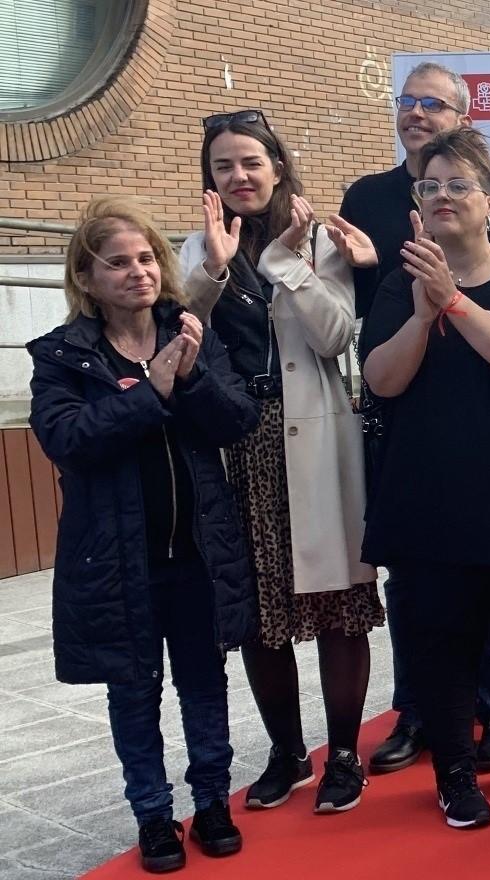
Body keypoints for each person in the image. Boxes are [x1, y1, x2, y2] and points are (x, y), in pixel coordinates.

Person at [27, 197, 261, 872]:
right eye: (120, 263)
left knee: (203, 682)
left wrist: (187, 380)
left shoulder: (189, 332)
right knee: (134, 692)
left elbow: (235, 420)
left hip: (196, 553)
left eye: (147, 259)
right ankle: (154, 816)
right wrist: (148, 394)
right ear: (87, 278)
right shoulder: (64, 355)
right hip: (116, 562)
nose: (139, 273)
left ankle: (212, 801)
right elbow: (65, 439)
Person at [359, 127, 490, 829]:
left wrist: (452, 300)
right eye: (430, 185)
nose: (443, 196)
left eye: (459, 185)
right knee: (438, 633)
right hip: (429, 495)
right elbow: (380, 381)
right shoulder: (401, 282)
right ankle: (454, 771)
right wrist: (422, 314)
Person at [336, 61, 490, 775]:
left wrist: (455, 293)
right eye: (407, 101)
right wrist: (366, 266)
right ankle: (416, 712)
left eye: (433, 103)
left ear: (463, 116)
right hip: (407, 392)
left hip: (485, 400)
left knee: (486, 570)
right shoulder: (366, 193)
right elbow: (358, 298)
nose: (416, 113)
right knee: (418, 577)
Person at [180, 109, 383, 815]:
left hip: (316, 437)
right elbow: (180, 333)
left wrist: (288, 261)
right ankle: (288, 753)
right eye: (223, 167)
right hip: (237, 445)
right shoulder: (198, 247)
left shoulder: (321, 237)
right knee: (259, 609)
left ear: (276, 166)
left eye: (250, 162)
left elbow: (333, 338)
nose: (239, 177)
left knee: (336, 604)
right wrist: (210, 266)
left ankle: (346, 757)